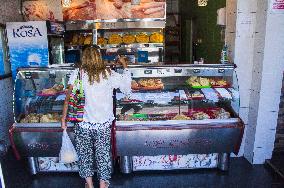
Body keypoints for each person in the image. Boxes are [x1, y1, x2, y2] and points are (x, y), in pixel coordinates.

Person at [61, 46, 131, 188]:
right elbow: (126, 87)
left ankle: (90, 185)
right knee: (103, 156)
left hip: (83, 124)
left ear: (84, 58)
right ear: (99, 57)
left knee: (85, 156)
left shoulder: (78, 73)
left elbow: (68, 98)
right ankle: (103, 185)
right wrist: (124, 65)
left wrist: (63, 119)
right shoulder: (107, 73)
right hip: (103, 125)